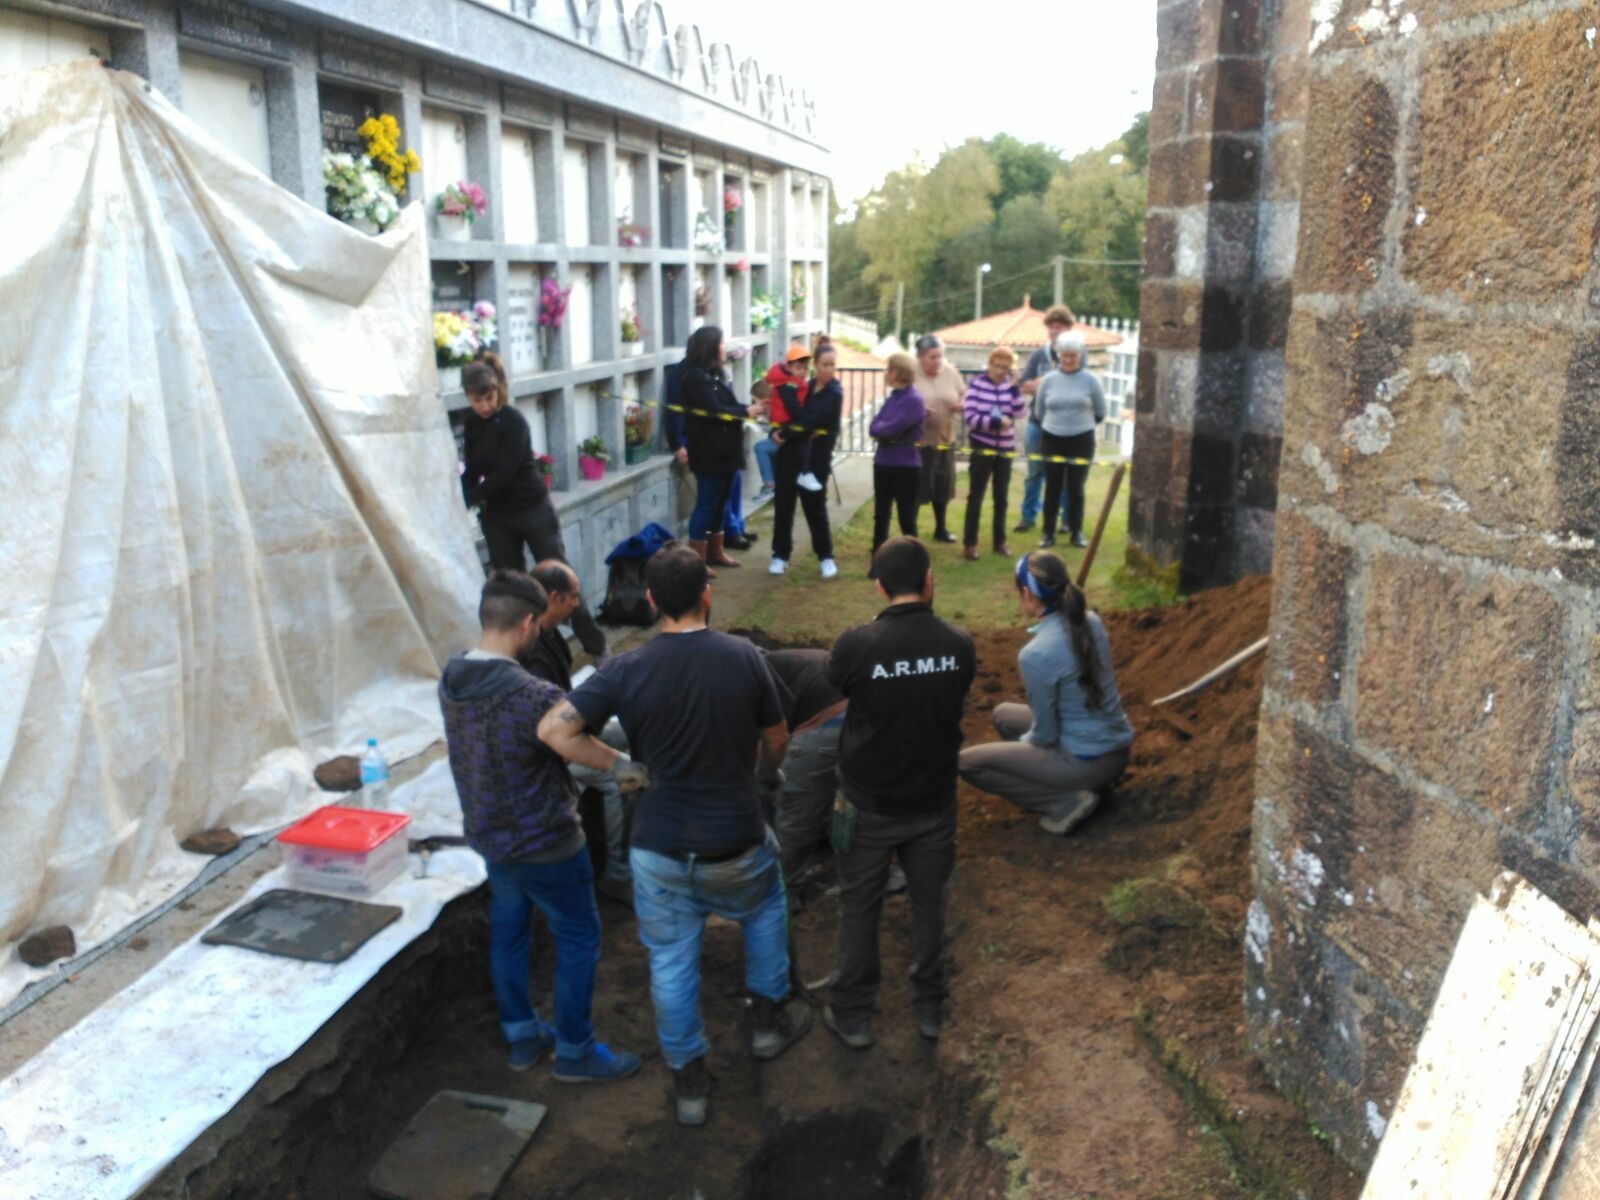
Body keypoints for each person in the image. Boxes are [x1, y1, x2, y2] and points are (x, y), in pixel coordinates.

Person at [537, 544, 812, 1127]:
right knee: (765, 913)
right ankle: (766, 1026)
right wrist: (763, 776)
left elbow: (554, 730)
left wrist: (619, 767)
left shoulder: (628, 666)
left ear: (655, 600)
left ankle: (689, 1082)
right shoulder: (742, 656)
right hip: (736, 837)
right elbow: (779, 735)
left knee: (670, 961)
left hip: (658, 850)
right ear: (706, 594)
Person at [438, 569, 641, 1081]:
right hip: (546, 840)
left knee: (509, 932)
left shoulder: (452, 676)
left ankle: (521, 1034)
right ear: (529, 623)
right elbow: (570, 740)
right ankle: (575, 1051)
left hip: (489, 836)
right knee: (578, 937)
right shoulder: (531, 695)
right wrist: (623, 766)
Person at [822, 537, 976, 1048]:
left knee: (859, 906)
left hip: (867, 805)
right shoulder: (959, 645)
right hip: (934, 804)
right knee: (931, 905)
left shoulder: (856, 645)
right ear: (930, 580)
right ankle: (929, 1007)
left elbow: (837, 686)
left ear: (881, 586)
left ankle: (852, 1015)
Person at [958, 552, 1133, 835]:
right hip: (1116, 751)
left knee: (967, 762)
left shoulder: (1036, 654)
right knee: (1004, 715)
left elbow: (1045, 735)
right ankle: (1068, 783)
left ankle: (1065, 801)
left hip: (1088, 761)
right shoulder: (1091, 621)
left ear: (1027, 594)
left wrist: (1024, 750)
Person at [460, 353, 606, 660]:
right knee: (510, 588)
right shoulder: (472, 425)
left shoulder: (514, 421)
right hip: (498, 515)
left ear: (498, 390)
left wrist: (472, 496)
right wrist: (463, 497)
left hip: (532, 508)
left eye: (488, 398)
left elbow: (506, 471)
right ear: (468, 398)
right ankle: (523, 656)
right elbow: (473, 469)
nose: (484, 407)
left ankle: (596, 645)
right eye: (476, 401)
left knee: (559, 578)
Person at [522, 560, 634, 907]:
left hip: (565, 731)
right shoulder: (534, 653)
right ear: (554, 598)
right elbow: (553, 734)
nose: (577, 604)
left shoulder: (550, 632)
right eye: (574, 597)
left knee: (631, 731)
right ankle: (618, 875)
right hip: (547, 754)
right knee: (624, 778)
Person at [677, 326, 764, 573]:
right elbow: (714, 411)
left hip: (726, 453)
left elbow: (729, 405)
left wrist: (750, 408)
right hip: (709, 454)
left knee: (720, 504)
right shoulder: (694, 377)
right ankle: (697, 561)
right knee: (706, 505)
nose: (725, 347)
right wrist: (743, 412)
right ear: (710, 347)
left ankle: (716, 552)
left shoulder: (715, 375)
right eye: (721, 343)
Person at [762, 648, 848, 888]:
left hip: (824, 724)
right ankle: (852, 875)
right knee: (844, 804)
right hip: (863, 722)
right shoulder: (785, 661)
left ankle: (783, 889)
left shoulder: (753, 674)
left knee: (794, 810)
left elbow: (770, 737)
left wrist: (766, 777)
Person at [769, 343, 842, 580]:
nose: (829, 369)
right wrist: (775, 432)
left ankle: (825, 556)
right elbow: (786, 415)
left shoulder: (834, 393)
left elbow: (810, 422)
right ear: (816, 366)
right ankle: (780, 554)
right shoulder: (804, 387)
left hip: (815, 459)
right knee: (783, 506)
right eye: (825, 365)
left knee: (815, 508)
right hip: (789, 456)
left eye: (833, 365)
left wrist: (785, 432)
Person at [1035, 331, 1107, 549]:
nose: (1068, 359)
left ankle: (1077, 532)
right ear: (1058, 356)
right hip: (1052, 438)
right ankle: (1048, 533)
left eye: (1073, 355)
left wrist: (1079, 425)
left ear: (1080, 356)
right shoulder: (1048, 381)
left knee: (1076, 488)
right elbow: (1039, 411)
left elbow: (1101, 411)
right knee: (1052, 487)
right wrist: (1057, 425)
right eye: (1065, 355)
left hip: (1081, 440)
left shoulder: (1091, 381)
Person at [1014, 304, 1076, 535]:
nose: (1053, 332)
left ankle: (1066, 519)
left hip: (1064, 426)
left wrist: (1041, 383)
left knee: (1063, 475)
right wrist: (1052, 379)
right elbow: (1025, 386)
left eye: (1058, 328)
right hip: (1037, 423)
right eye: (1050, 328)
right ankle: (1028, 516)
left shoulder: (1076, 355)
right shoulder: (1039, 354)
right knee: (1034, 472)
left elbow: (1076, 384)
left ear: (1069, 329)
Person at [962, 346, 1026, 561]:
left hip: (1005, 447)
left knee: (1002, 496)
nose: (1000, 371)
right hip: (982, 445)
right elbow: (970, 418)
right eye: (997, 366)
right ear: (989, 365)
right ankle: (970, 543)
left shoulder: (1010, 387)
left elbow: (1020, 412)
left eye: (1005, 368)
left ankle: (1000, 541)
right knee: (976, 495)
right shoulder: (977, 384)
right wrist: (996, 422)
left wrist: (1016, 389)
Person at [868, 352, 926, 570]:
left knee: (906, 518)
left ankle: (916, 563)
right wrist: (884, 430)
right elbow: (874, 426)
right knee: (881, 515)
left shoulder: (914, 400)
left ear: (896, 372)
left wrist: (884, 430)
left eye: (889, 369)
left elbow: (891, 427)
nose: (886, 374)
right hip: (883, 462)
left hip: (906, 466)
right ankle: (876, 562)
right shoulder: (893, 397)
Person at [911, 335, 966, 544]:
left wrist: (963, 403)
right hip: (920, 442)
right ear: (921, 357)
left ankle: (940, 528)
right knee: (918, 487)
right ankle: (911, 531)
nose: (937, 362)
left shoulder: (950, 372)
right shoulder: (911, 374)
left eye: (940, 357)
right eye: (933, 357)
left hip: (945, 439)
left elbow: (964, 392)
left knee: (943, 484)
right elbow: (901, 397)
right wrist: (917, 410)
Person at [750, 379, 778, 498]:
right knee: (765, 446)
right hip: (780, 439)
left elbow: (775, 427)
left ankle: (769, 484)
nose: (755, 402)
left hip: (785, 441)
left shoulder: (773, 406)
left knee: (760, 447)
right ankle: (774, 483)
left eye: (755, 399)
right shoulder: (769, 406)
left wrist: (763, 421)